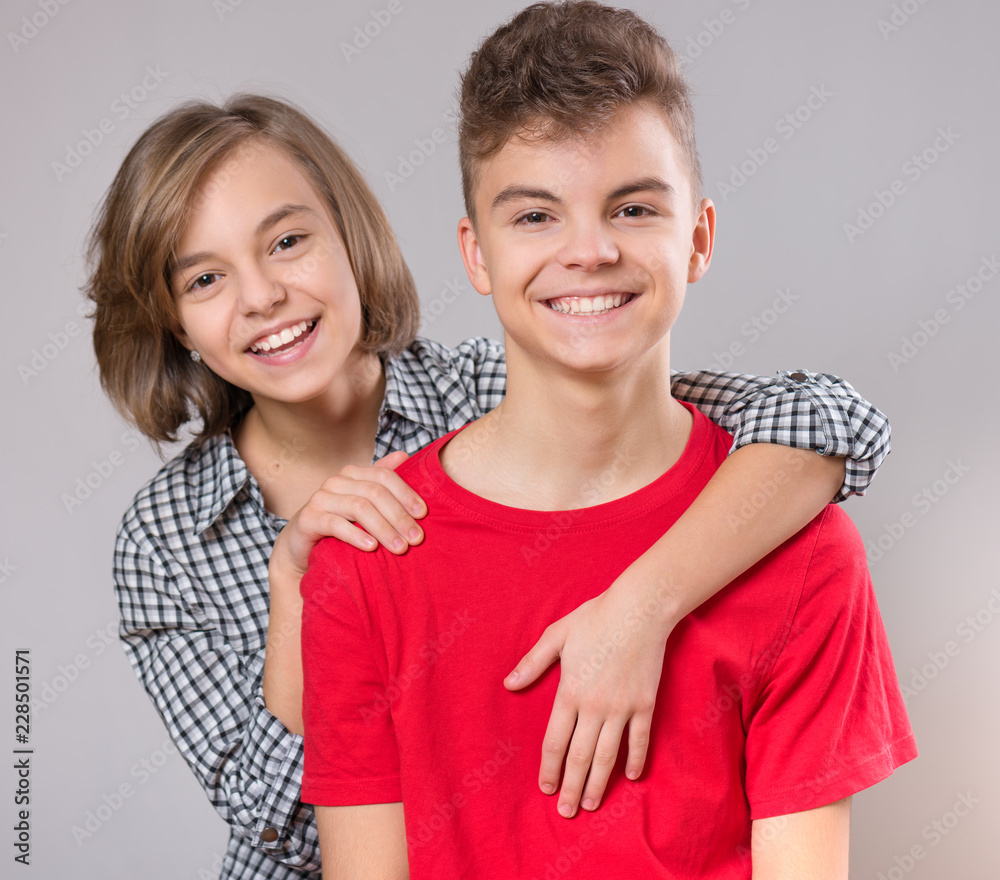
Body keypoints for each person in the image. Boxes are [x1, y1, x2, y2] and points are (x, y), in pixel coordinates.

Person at [87, 88, 889, 880]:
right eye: (204, 281)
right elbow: (278, 833)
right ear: (174, 325)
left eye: (288, 241)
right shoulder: (166, 537)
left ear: (349, 239)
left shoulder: (485, 394)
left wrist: (638, 610)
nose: (262, 296)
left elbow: (823, 423)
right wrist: (298, 595)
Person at [297, 3, 916, 877]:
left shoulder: (804, 553)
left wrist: (642, 607)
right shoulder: (368, 564)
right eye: (536, 217)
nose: (587, 251)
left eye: (631, 208)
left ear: (697, 238)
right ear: (476, 256)